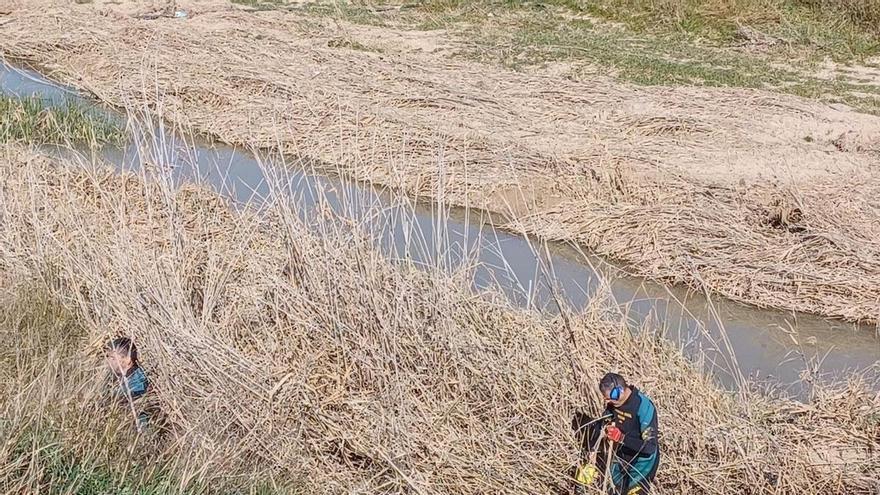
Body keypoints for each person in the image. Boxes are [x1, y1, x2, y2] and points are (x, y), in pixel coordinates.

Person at [572, 372, 660, 495]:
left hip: (642, 465)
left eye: (611, 397)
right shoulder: (613, 405)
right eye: (606, 398)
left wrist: (621, 437)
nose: (608, 401)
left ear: (620, 391)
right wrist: (593, 451)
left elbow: (650, 447)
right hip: (620, 459)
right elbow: (601, 426)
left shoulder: (643, 406)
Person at [105, 337, 150, 429]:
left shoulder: (139, 379)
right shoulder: (122, 376)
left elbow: (133, 392)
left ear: (128, 360)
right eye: (108, 357)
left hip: (140, 429)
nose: (108, 361)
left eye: (113, 358)